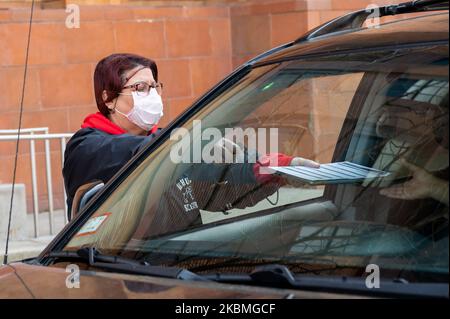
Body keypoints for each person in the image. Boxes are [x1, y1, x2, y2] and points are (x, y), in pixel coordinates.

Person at [62, 53, 320, 220]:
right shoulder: (86, 146)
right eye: (140, 88)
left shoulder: (166, 141)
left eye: (154, 87)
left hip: (176, 266)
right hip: (120, 273)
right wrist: (194, 142)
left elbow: (215, 189)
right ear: (108, 98)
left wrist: (268, 170)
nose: (151, 95)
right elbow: (142, 153)